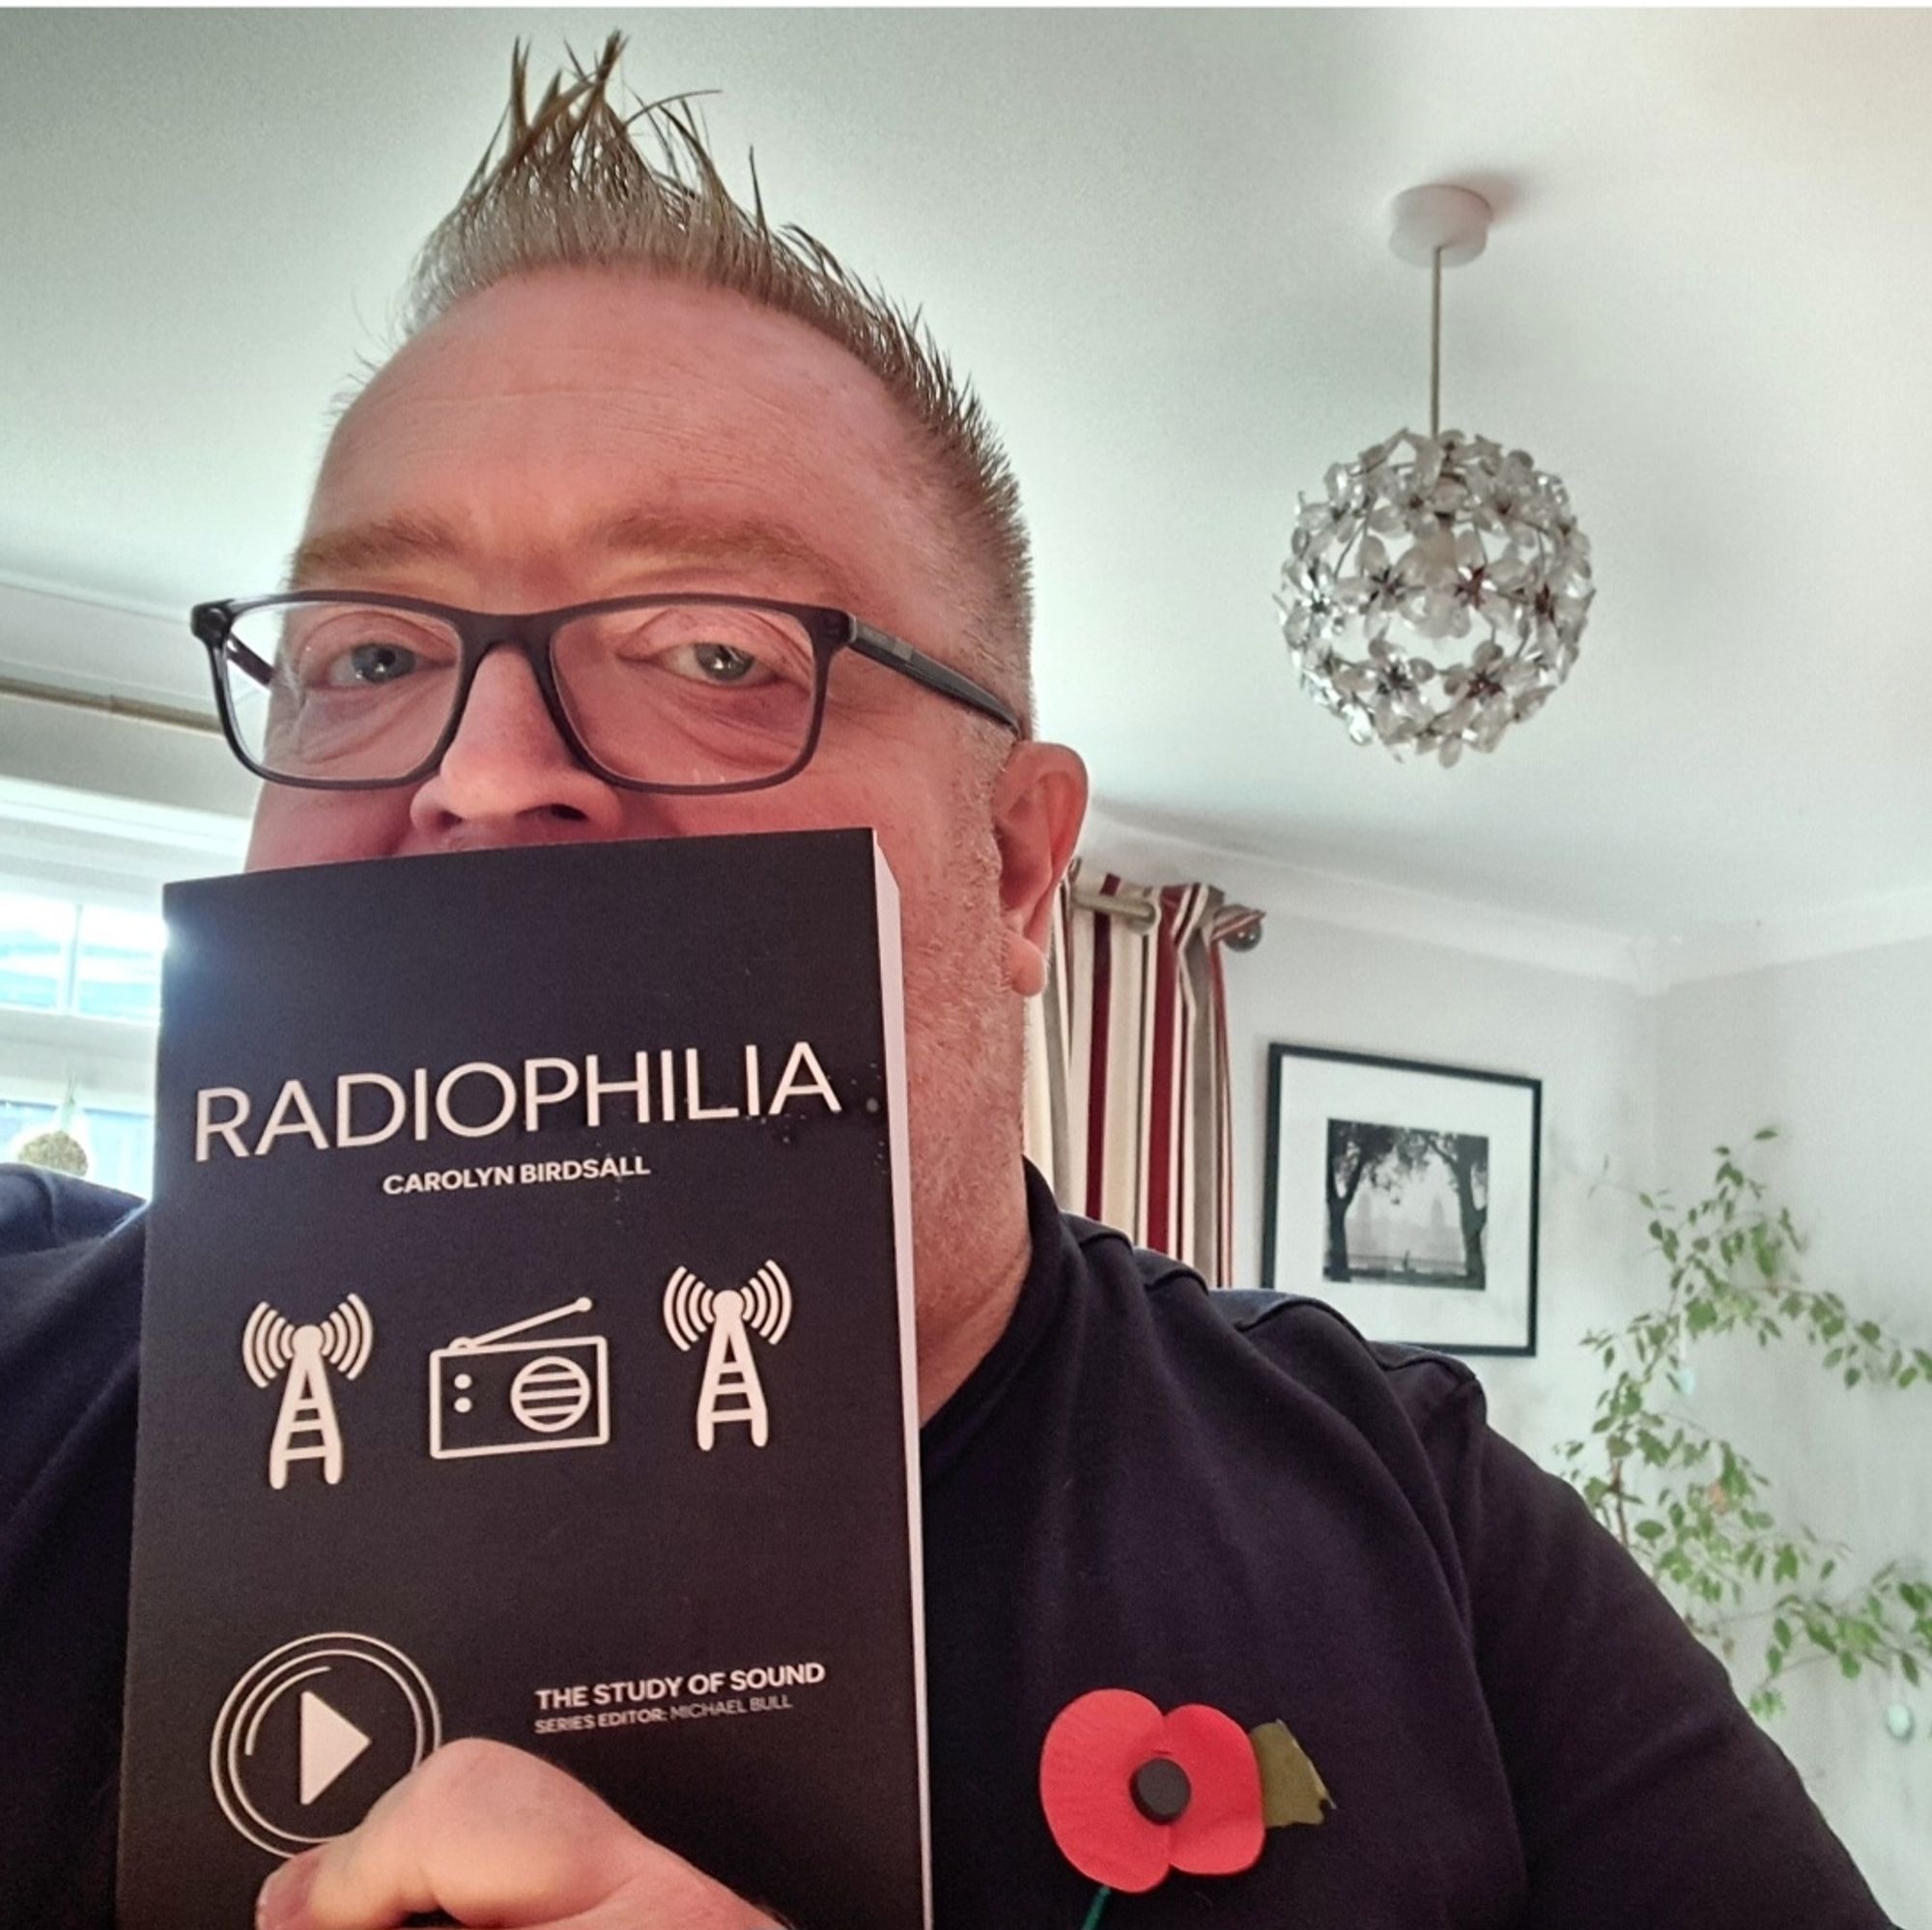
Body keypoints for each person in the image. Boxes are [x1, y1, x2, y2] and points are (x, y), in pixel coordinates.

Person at [0, 38, 1897, 1930]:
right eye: (363, 655)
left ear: (1013, 863)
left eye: (717, 652)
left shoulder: (1431, 1533)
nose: (483, 763)